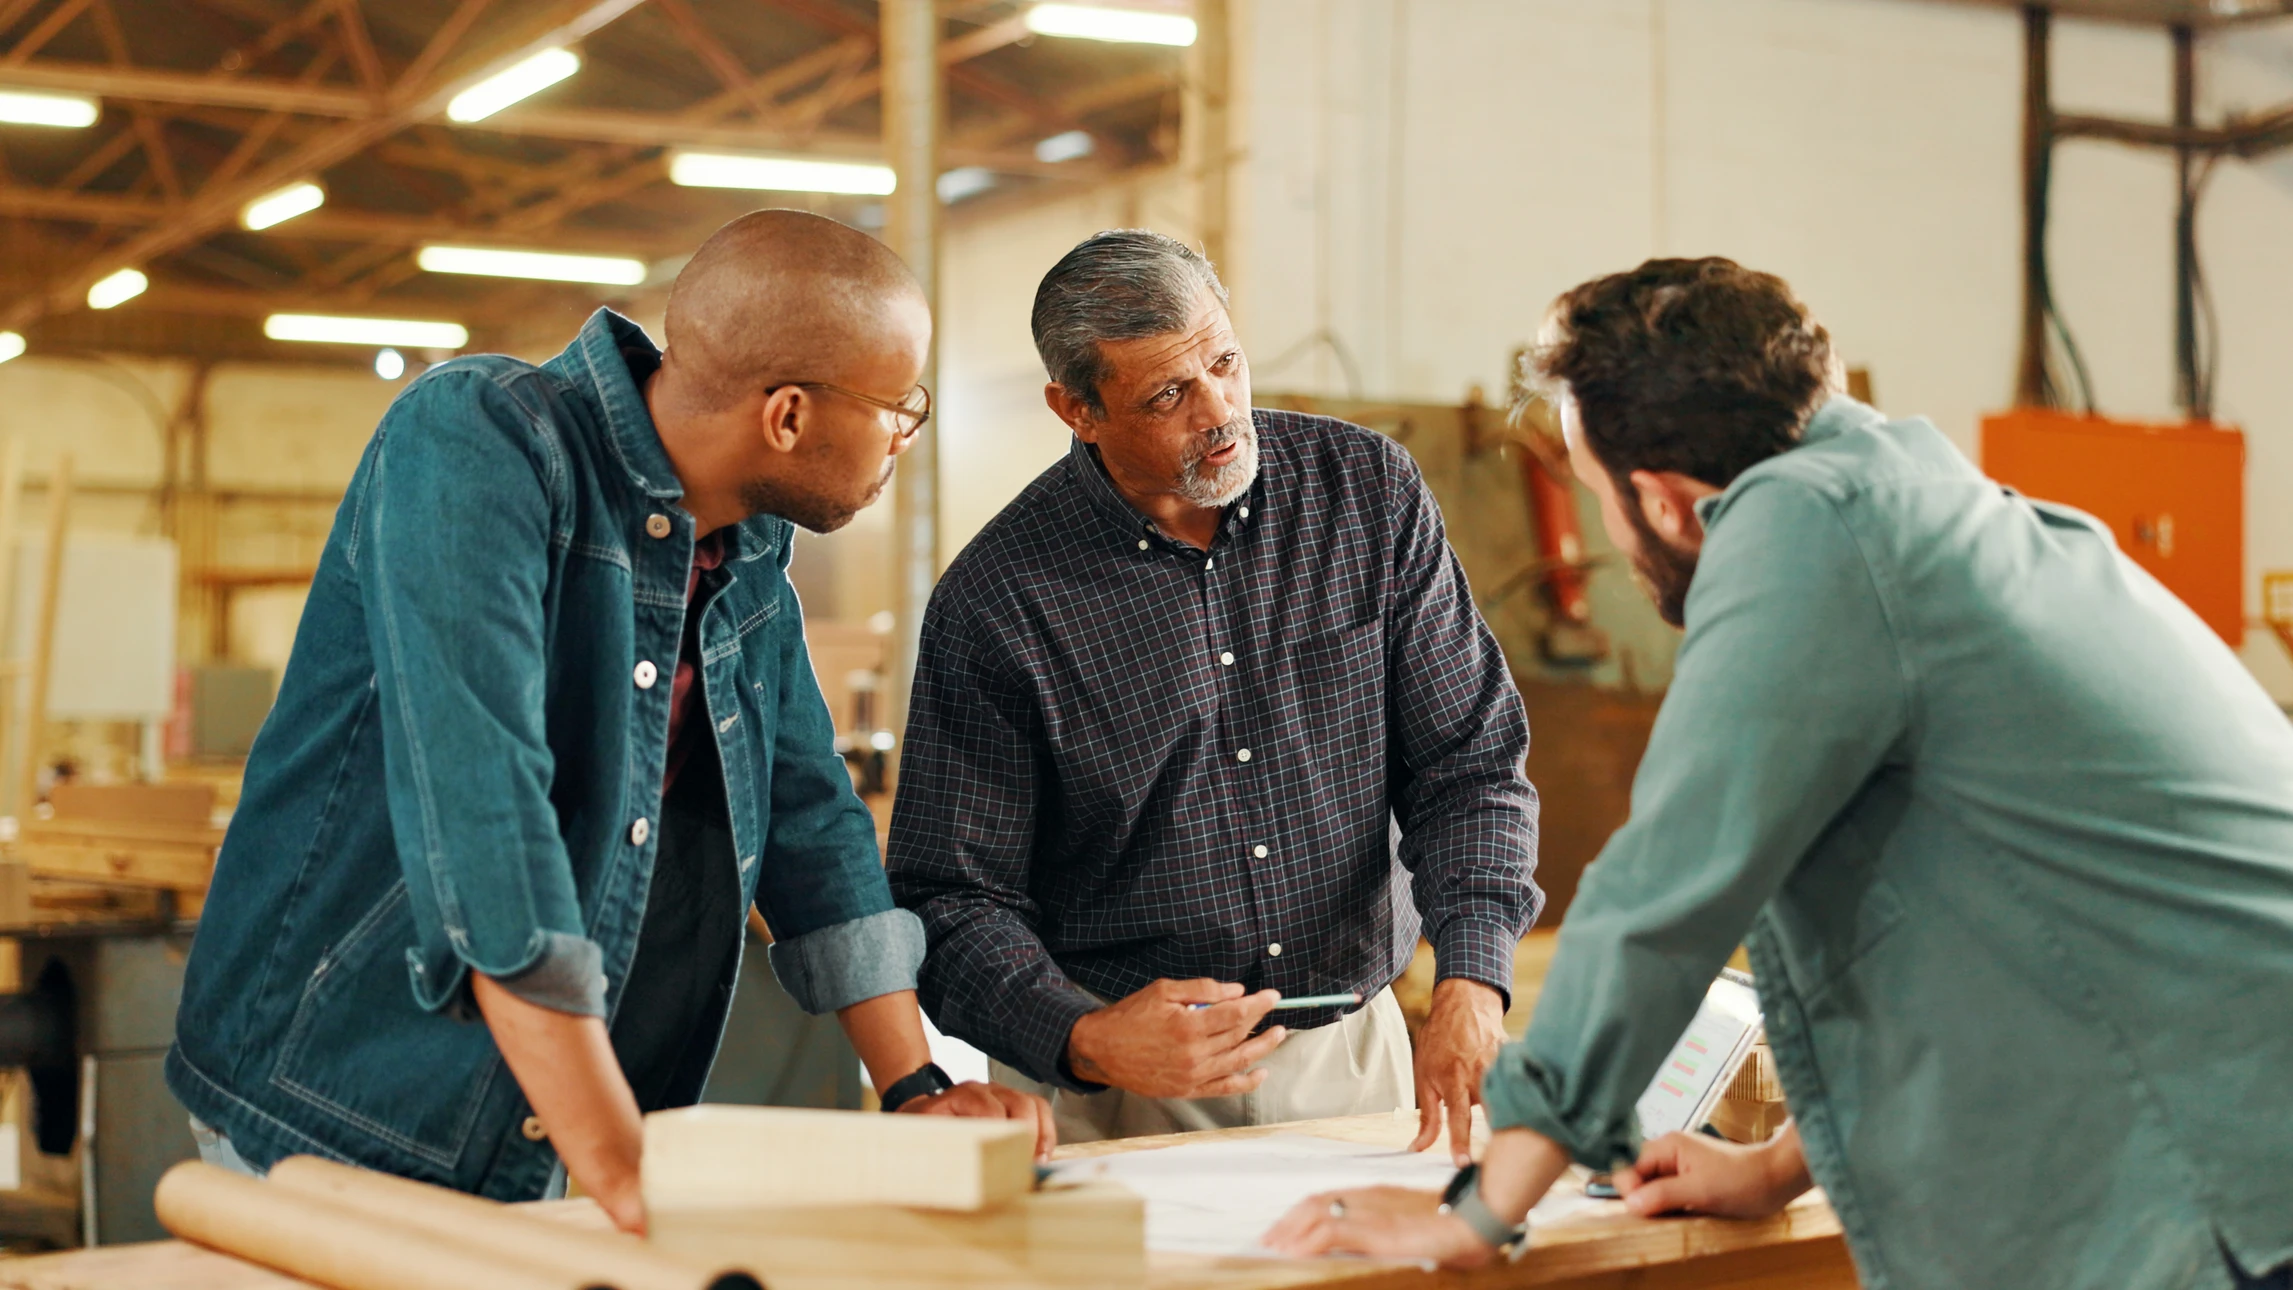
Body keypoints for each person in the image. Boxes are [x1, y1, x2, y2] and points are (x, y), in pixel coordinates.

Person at [1264, 257, 2293, 1290]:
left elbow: (1661, 895)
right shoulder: (1921, 500)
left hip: (2229, 1182)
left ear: (1664, 502)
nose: (1614, 541)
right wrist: (1779, 1169)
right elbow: (1966, 947)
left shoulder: (1807, 536)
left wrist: (1477, 1210)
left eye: (1598, 500)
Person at [167, 210, 1052, 1232]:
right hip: (347, 1100)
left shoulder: (750, 549)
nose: (905, 433)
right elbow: (484, 812)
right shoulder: (477, 442)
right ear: (787, 415)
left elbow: (812, 819)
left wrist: (919, 1091)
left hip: (561, 1114)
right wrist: (625, 1174)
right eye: (901, 405)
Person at [886, 230, 1541, 1159]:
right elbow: (950, 894)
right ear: (1075, 409)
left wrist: (1473, 979)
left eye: (1225, 362)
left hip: (1349, 1060)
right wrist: (1083, 1039)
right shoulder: (998, 598)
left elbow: (1468, 766)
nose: (1221, 410)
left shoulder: (1368, 495)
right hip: (1114, 1087)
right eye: (1168, 394)